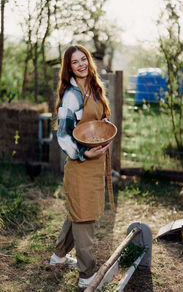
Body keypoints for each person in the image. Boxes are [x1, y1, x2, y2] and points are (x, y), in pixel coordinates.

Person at [50, 44, 112, 289]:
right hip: (81, 165)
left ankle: (58, 256)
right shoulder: (71, 95)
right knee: (84, 218)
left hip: (95, 164)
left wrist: (103, 123)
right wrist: (83, 153)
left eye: (83, 59)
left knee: (78, 211)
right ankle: (86, 275)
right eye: (75, 62)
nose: (81, 64)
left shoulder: (94, 88)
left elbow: (96, 120)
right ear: (69, 68)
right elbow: (64, 136)